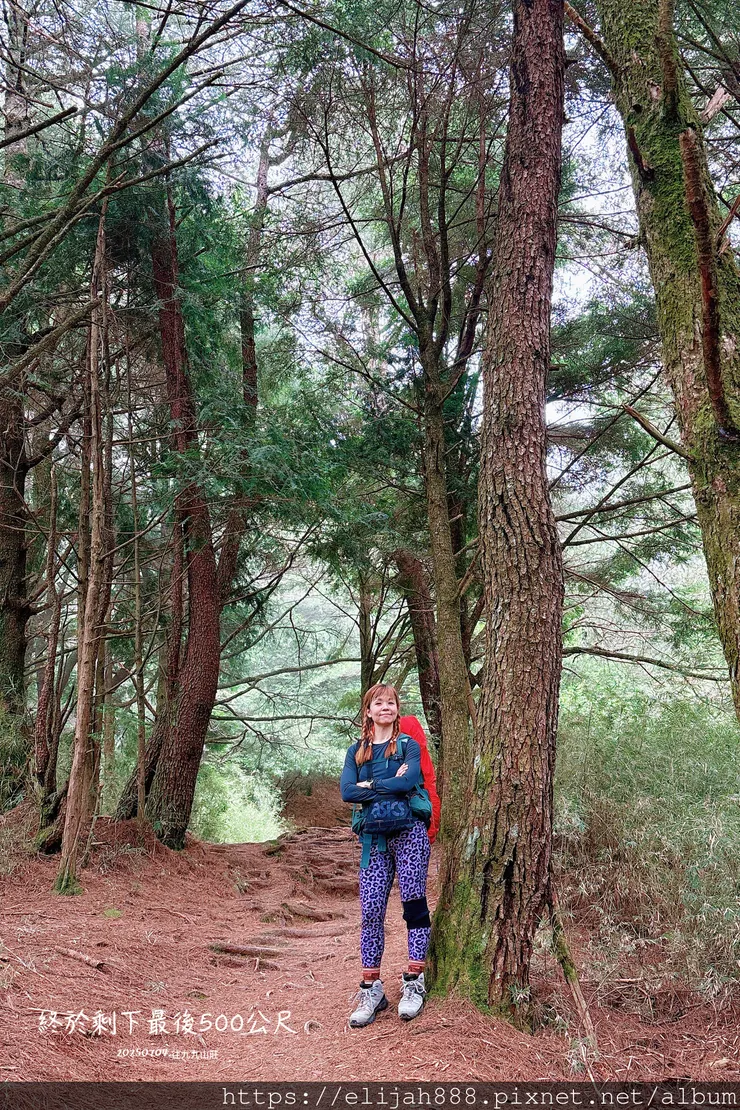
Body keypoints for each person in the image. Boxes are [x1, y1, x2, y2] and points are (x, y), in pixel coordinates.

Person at [339, 683, 432, 1027]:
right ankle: (371, 988)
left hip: (409, 834)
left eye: (391, 703)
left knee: (414, 904)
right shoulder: (356, 752)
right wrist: (387, 783)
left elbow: (409, 784)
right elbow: (347, 791)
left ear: (397, 709)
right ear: (368, 711)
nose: (385, 708)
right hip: (374, 843)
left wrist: (370, 788)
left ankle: (414, 980)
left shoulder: (408, 745)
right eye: (378, 703)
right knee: (371, 911)